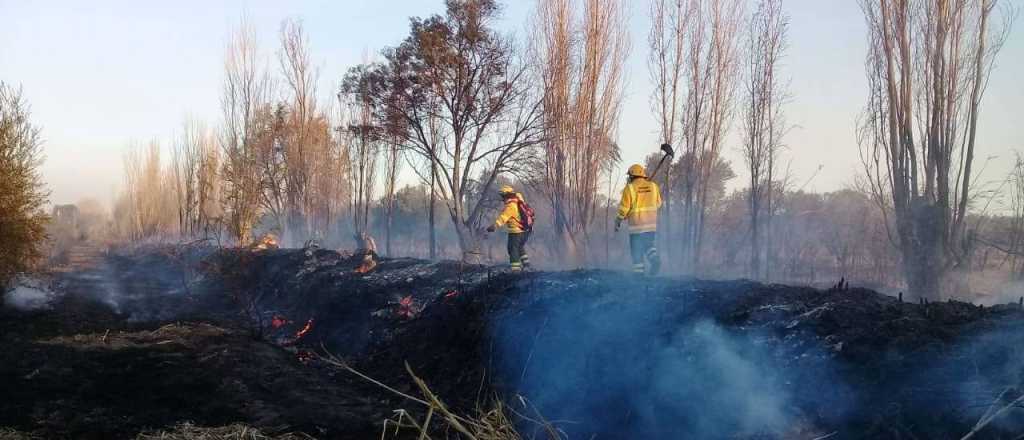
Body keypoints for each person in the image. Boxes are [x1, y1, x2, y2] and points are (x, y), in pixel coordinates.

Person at [615, 164, 662, 275]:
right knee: (648, 245)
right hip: (651, 226)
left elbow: (624, 209)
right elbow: (659, 204)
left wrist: (618, 220)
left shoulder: (629, 188)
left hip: (636, 227)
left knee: (637, 253)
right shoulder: (654, 186)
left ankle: (639, 277)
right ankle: (655, 259)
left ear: (632, 176)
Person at [486, 185, 532, 271]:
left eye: (503, 196)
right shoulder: (519, 200)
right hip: (525, 231)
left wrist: (494, 226)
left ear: (506, 195)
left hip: (516, 232)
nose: (502, 198)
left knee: (512, 249)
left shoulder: (511, 206)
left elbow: (503, 217)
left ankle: (515, 270)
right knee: (519, 247)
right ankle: (527, 265)